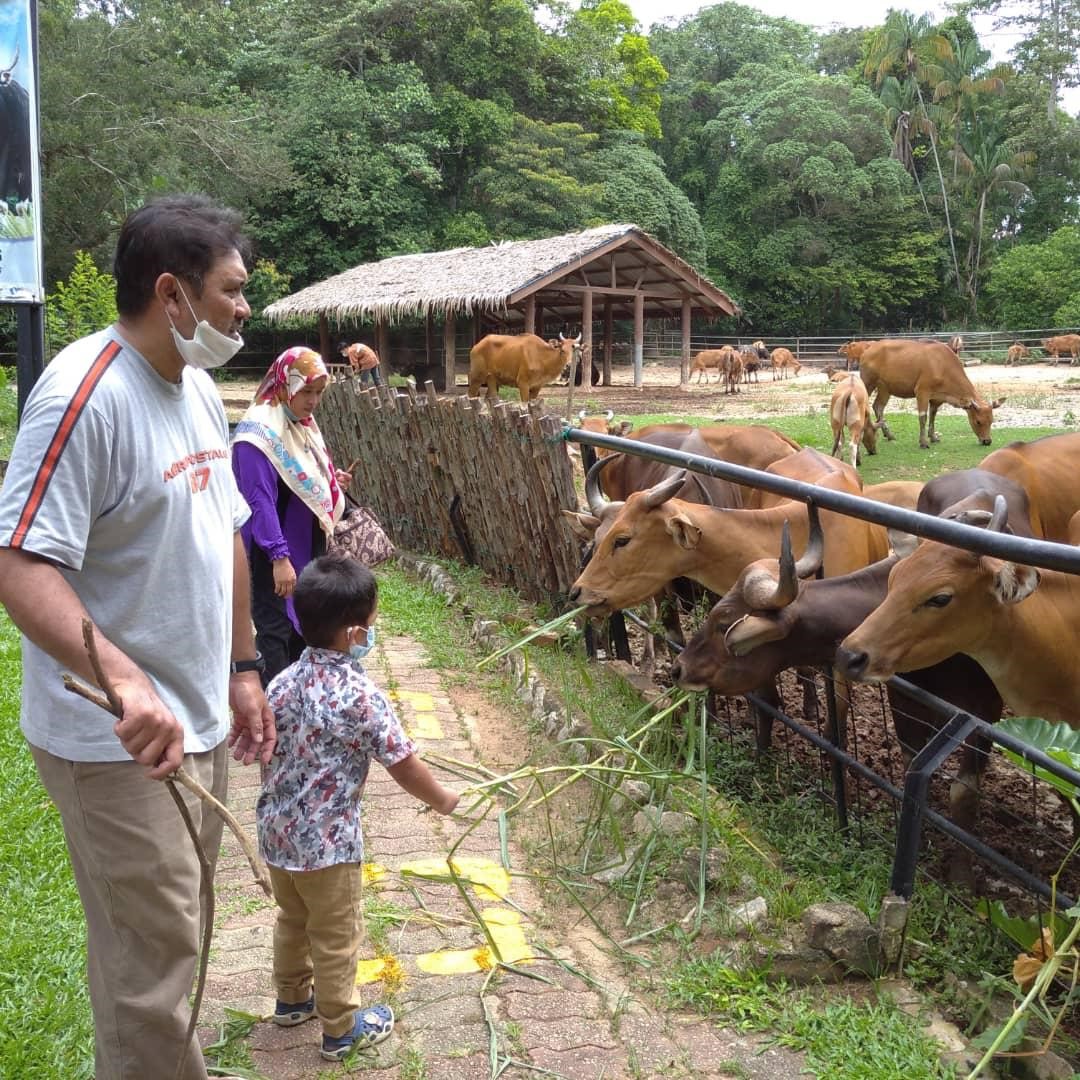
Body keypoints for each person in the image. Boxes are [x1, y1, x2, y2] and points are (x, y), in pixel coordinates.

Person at [0, 194, 275, 1080]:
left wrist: (241, 666)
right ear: (173, 293)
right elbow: (18, 564)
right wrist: (124, 681)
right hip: (116, 740)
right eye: (232, 291)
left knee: (179, 927)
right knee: (149, 967)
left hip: (196, 716)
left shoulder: (194, 386)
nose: (244, 310)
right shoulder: (86, 395)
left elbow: (227, 529)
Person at [257, 554, 459, 1061]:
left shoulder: (279, 683)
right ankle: (342, 1028)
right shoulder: (360, 695)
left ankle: (291, 999)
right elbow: (402, 762)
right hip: (329, 847)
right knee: (336, 935)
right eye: (371, 623)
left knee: (292, 918)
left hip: (278, 834)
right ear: (353, 633)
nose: (373, 631)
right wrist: (443, 799)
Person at [232, 347, 352, 686]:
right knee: (275, 629)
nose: (313, 401)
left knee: (308, 625)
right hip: (274, 550)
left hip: (306, 545)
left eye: (318, 393)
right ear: (285, 385)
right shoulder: (257, 436)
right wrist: (278, 557)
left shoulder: (300, 425)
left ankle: (303, 701)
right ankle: (274, 709)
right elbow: (259, 501)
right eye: (306, 391)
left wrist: (331, 482)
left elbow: (302, 476)